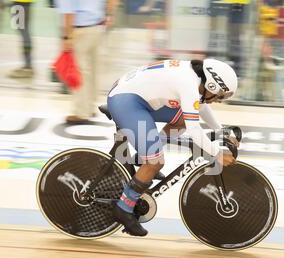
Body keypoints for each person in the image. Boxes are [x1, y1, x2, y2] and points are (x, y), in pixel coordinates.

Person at [107, 59, 239, 236]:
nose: (217, 101)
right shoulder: (188, 83)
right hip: (126, 101)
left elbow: (201, 107)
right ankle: (123, 208)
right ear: (211, 85)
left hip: (134, 94)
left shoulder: (196, 79)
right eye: (218, 96)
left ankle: (141, 158)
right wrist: (216, 154)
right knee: (155, 162)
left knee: (182, 119)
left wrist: (220, 130)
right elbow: (194, 130)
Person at [57, 0, 117, 124]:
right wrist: (109, 15)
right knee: (92, 70)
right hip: (97, 27)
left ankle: (81, 112)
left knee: (79, 71)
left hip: (80, 31)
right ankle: (90, 107)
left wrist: (66, 37)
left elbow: (68, 13)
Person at [8, 0, 35, 79]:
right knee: (23, 30)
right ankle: (27, 65)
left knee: (24, 31)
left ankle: (27, 66)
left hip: (21, 2)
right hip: (22, 2)